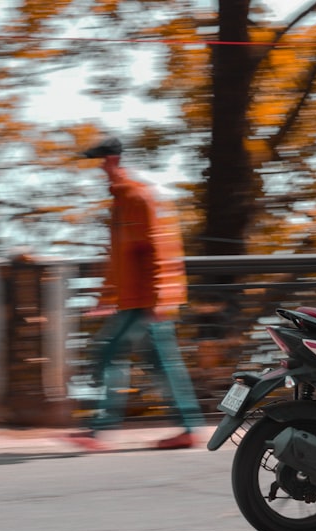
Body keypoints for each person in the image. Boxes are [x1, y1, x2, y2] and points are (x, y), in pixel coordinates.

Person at [68, 136, 204, 451]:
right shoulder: (121, 201)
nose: (100, 168)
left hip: (146, 301)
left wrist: (159, 299)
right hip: (134, 300)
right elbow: (118, 259)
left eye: (102, 161)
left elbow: (160, 249)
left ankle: (97, 430)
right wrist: (106, 298)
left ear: (114, 159)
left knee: (106, 353)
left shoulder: (139, 198)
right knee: (162, 364)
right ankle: (188, 427)